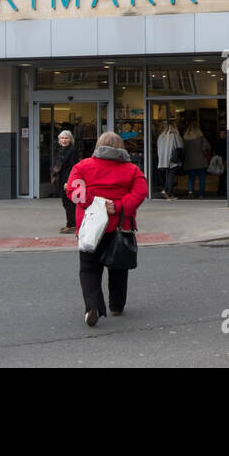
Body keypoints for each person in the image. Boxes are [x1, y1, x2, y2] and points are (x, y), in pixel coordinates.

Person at [66, 132, 147, 327]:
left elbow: (73, 190)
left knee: (89, 269)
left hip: (91, 227)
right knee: (118, 266)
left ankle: (93, 306)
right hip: (119, 227)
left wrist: (93, 202)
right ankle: (116, 306)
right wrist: (118, 206)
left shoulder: (82, 166)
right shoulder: (132, 169)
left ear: (98, 146)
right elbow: (141, 192)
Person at [52, 130, 82, 232]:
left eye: (66, 138)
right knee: (66, 203)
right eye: (62, 138)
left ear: (70, 139)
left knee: (69, 203)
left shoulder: (72, 151)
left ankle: (72, 224)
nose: (64, 140)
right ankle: (71, 223)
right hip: (62, 179)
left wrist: (69, 182)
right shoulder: (61, 150)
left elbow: (73, 167)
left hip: (68, 180)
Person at [181, 120, 210, 199]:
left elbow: (183, 150)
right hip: (200, 161)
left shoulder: (185, 139)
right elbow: (208, 147)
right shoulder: (201, 138)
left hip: (190, 162)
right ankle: (201, 194)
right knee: (202, 179)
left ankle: (190, 192)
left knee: (191, 178)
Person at [155, 122, 181, 200]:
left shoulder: (161, 136)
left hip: (163, 159)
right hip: (172, 159)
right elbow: (180, 146)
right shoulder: (174, 136)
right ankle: (168, 193)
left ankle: (166, 191)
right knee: (171, 176)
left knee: (167, 175)